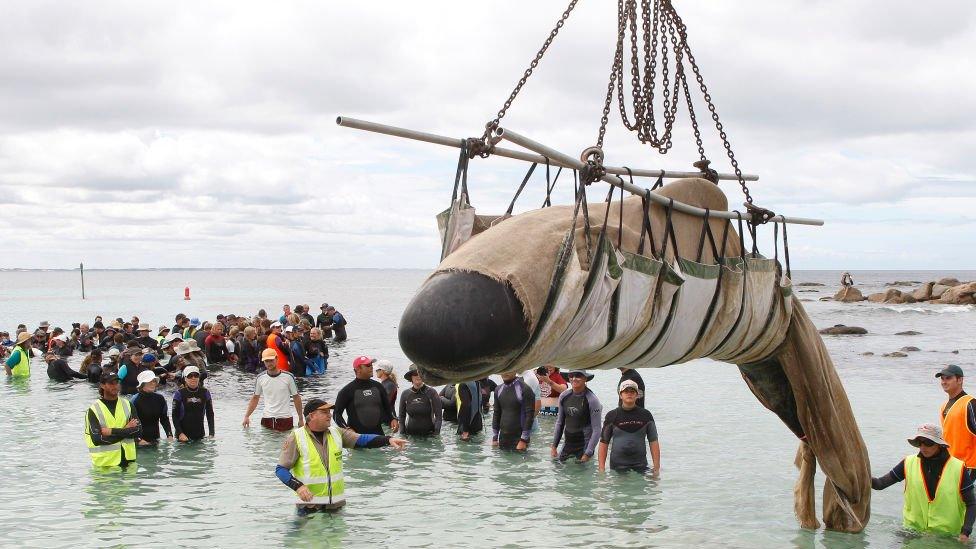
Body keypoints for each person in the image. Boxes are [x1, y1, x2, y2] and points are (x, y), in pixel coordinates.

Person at [275, 398, 407, 512]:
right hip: (309, 507)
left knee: (337, 541)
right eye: (324, 412)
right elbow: (281, 469)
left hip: (336, 505)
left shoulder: (337, 433)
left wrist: (387, 440)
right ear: (311, 416)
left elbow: (362, 439)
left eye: (330, 412)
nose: (330, 415)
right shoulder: (296, 437)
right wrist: (298, 487)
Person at [872, 423, 975, 541]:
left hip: (947, 538)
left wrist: (965, 532)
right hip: (912, 534)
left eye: (928, 442)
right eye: (919, 443)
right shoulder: (908, 463)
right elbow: (880, 484)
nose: (923, 447)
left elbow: (972, 503)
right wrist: (854, 476)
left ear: (939, 445)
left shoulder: (959, 468)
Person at [598, 380, 660, 475]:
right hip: (617, 467)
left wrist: (656, 468)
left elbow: (654, 441)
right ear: (620, 395)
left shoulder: (646, 415)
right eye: (626, 391)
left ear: (637, 395)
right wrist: (601, 469)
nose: (629, 394)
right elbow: (603, 442)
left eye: (632, 392)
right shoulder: (612, 415)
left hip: (641, 466)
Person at [84, 372, 141, 467]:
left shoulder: (128, 404)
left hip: (129, 462)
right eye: (111, 383)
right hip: (105, 465)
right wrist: (127, 430)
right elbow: (98, 439)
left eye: (117, 383)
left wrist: (111, 431)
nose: (115, 386)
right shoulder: (93, 409)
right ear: (102, 385)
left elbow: (138, 431)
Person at [333, 356, 398, 435]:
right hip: (357, 439)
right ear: (358, 369)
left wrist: (393, 419)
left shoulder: (378, 387)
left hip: (379, 437)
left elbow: (387, 407)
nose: (371, 367)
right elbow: (336, 414)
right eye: (367, 365)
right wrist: (347, 429)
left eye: (371, 365)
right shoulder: (347, 391)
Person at [243, 348, 304, 432]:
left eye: (271, 360)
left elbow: (296, 397)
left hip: (285, 419)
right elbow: (255, 398)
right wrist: (247, 416)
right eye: (266, 361)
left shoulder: (289, 377)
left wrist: (300, 418)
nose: (269, 363)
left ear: (277, 359)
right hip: (267, 419)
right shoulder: (260, 378)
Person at [551, 370, 602, 463]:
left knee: (581, 475)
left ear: (585, 378)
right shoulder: (564, 396)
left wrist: (588, 453)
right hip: (568, 444)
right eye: (571, 376)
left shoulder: (592, 400)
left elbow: (597, 429)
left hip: (584, 446)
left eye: (578, 376)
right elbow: (560, 423)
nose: (574, 378)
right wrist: (554, 446)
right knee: (557, 469)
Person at [937, 365, 976, 468]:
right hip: (952, 466)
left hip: (970, 467)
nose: (944, 382)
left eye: (948, 378)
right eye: (942, 378)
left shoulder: (970, 403)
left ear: (960, 380)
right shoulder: (943, 407)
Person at [491, 372, 534, 451]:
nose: (505, 373)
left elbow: (530, 416)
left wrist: (523, 440)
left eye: (509, 369)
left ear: (515, 370)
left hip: (519, 440)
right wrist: (494, 438)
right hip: (503, 439)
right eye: (503, 370)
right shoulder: (498, 389)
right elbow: (497, 413)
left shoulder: (525, 389)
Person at [172, 366, 215, 441]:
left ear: (199, 377)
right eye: (190, 376)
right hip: (182, 438)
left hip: (200, 435)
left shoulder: (205, 392)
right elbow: (174, 415)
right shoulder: (179, 393)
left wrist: (211, 433)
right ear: (185, 378)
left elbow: (210, 413)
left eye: (196, 375)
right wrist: (180, 433)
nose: (193, 378)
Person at [131, 370, 173, 446]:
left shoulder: (160, 398)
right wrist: (138, 439)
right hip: (139, 442)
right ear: (142, 384)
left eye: (154, 381)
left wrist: (169, 435)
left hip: (155, 440)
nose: (153, 383)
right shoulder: (135, 400)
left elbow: (164, 419)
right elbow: (129, 423)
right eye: (149, 381)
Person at [397, 369, 443, 436]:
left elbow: (439, 417)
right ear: (411, 377)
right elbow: (401, 416)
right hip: (410, 436)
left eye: (420, 373)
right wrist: (402, 434)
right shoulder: (405, 394)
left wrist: (436, 434)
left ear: (424, 376)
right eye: (415, 374)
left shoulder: (432, 392)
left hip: (429, 436)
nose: (418, 376)